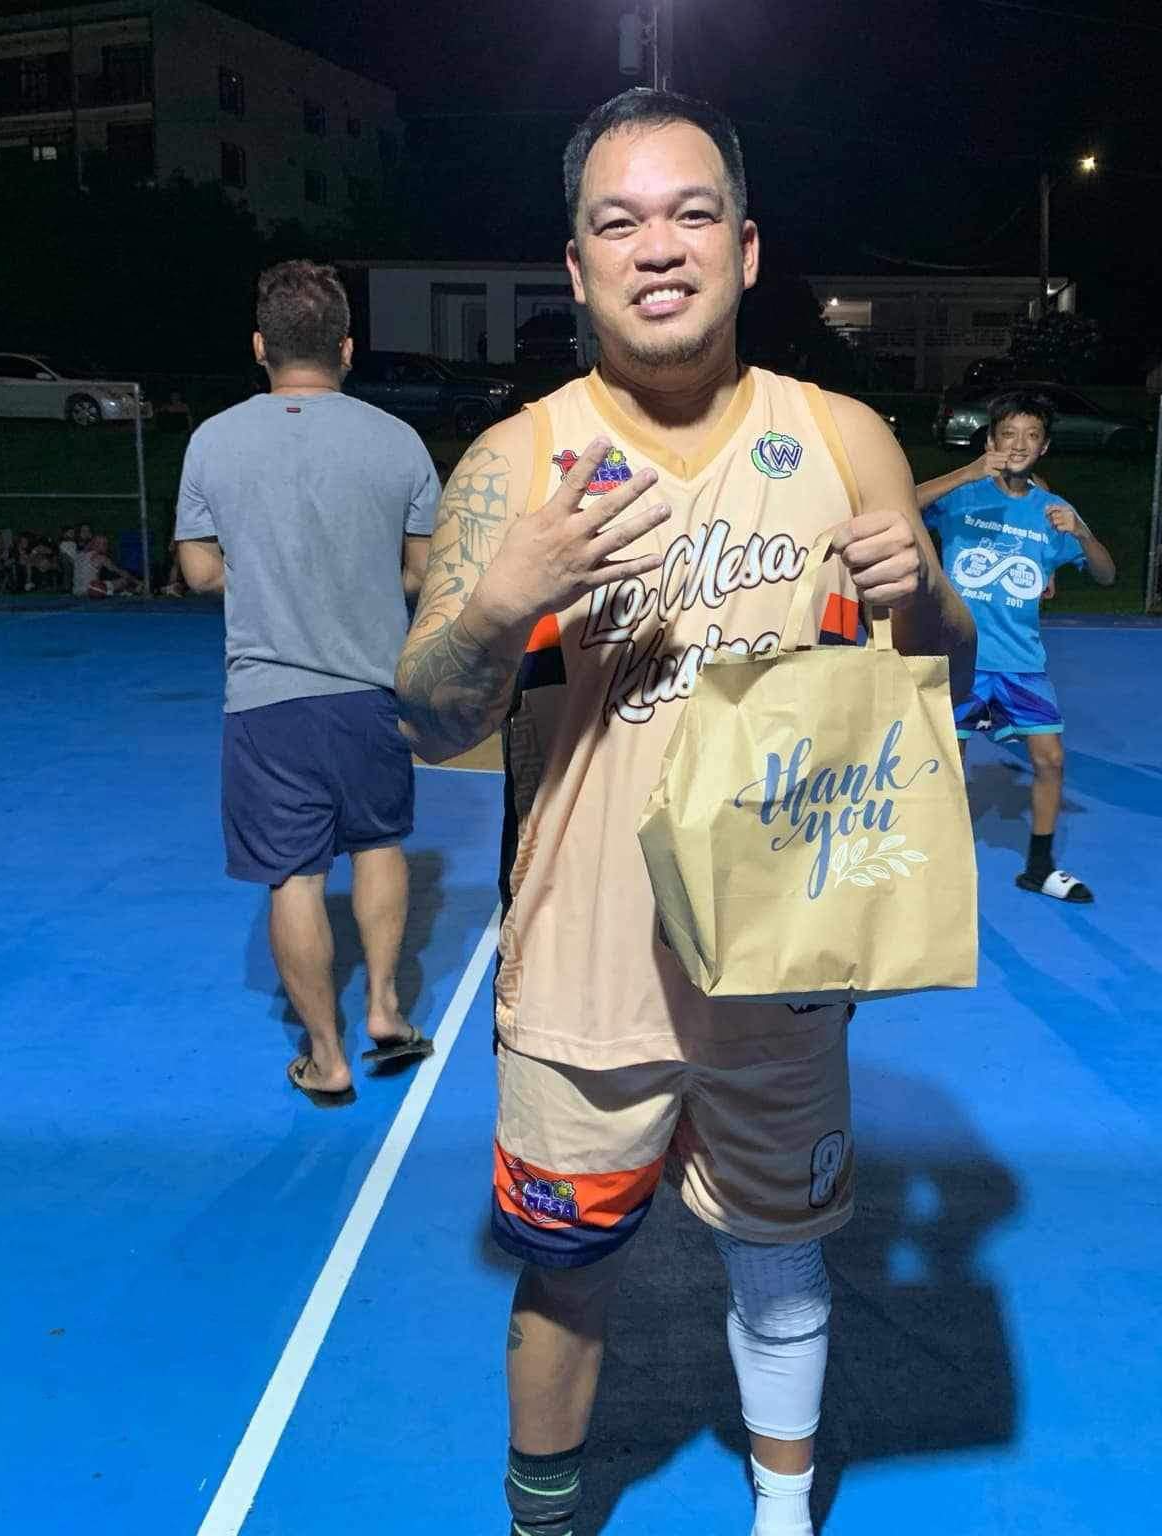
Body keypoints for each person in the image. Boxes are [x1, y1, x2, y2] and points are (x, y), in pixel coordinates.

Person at [392, 89, 973, 1536]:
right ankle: (545, 1524)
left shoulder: (843, 439)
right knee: (566, 1272)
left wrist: (938, 599)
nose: (661, 247)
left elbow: (932, 690)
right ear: (578, 266)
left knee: (781, 1260)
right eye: (620, 221)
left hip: (779, 972)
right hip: (584, 981)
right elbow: (421, 716)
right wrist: (501, 600)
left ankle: (783, 1522)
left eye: (693, 212)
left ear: (750, 249)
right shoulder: (516, 467)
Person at [176, 259, 441, 1105]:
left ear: (260, 346)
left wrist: (259, 573)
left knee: (293, 875)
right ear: (347, 348)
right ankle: (388, 1012)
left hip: (267, 701)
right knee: (378, 843)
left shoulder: (213, 440)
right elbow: (422, 572)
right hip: (368, 691)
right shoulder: (397, 441)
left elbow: (198, 573)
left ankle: (324, 1056)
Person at [916, 389, 1117, 902]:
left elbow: (1106, 574)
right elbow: (901, 504)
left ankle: (1039, 867)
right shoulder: (964, 495)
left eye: (1031, 436)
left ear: (1044, 447)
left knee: (1050, 760)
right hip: (963, 657)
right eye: (1008, 434)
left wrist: (1084, 530)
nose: (1019, 444)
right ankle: (932, 869)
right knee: (947, 768)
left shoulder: (1055, 512)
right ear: (991, 440)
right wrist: (966, 472)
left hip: (1022, 664)